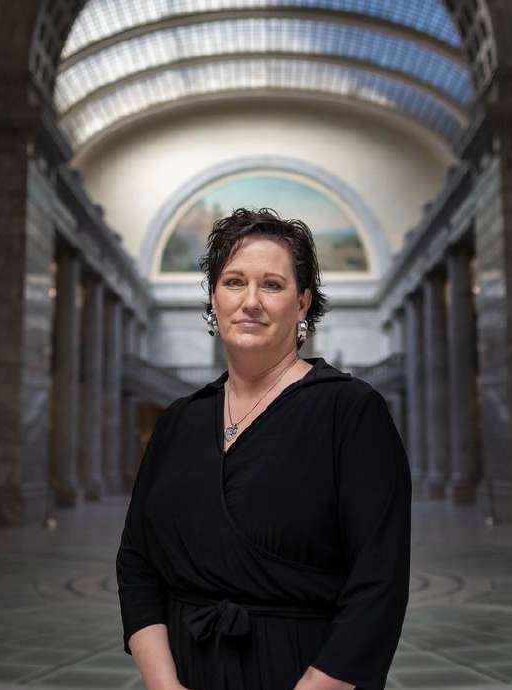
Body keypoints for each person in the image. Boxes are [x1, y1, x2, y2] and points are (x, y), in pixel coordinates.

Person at [116, 208, 412, 690]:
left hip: (304, 673)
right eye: (233, 282)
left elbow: (378, 585)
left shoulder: (352, 411)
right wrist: (165, 686)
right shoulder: (178, 422)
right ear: (214, 298)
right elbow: (136, 564)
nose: (250, 301)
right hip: (184, 673)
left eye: (271, 285)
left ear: (302, 304)